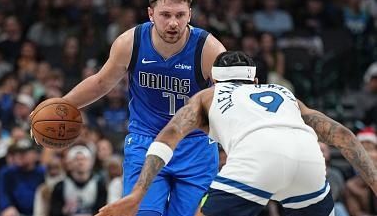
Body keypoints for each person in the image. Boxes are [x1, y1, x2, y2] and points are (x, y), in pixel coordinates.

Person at [98, 51, 377, 216]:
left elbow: (168, 135)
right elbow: (344, 136)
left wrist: (137, 194)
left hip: (258, 158)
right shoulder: (283, 93)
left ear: (216, 79)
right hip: (309, 161)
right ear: (255, 80)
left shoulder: (208, 95)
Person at [49, 0, 226, 216]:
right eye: (165, 15)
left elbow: (230, 101)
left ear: (190, 14)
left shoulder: (209, 49)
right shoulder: (130, 42)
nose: (173, 23)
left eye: (180, 15)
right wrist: (61, 106)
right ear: (151, 14)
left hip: (195, 145)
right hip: (146, 141)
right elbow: (101, 83)